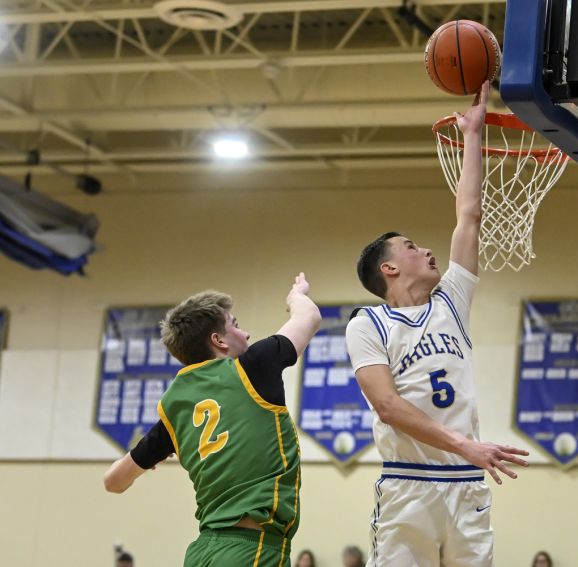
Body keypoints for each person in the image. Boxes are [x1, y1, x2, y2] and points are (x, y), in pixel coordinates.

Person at [345, 82, 529, 567]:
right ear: (388, 268)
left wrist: (473, 135)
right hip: (410, 484)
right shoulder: (368, 324)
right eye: (410, 247)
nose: (426, 250)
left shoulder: (451, 301)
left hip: (467, 484)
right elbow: (388, 407)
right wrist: (466, 445)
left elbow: (469, 217)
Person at [104, 275, 321, 567]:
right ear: (218, 340)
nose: (246, 333)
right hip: (250, 550)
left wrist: (152, 456)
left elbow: (113, 482)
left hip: (201, 553)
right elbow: (309, 316)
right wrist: (297, 295)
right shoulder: (252, 366)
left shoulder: (174, 408)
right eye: (236, 325)